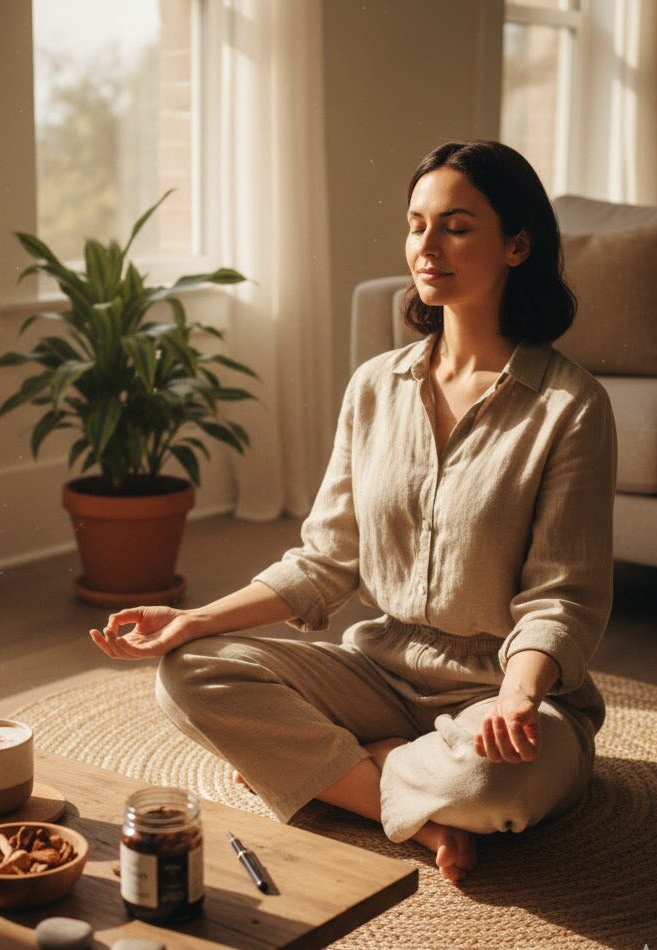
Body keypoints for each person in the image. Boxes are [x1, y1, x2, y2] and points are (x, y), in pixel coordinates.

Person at [88, 140, 618, 885]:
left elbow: (562, 596)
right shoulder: (375, 387)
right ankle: (409, 809)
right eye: (415, 225)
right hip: (376, 677)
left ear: (517, 245)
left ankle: (336, 774)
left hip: (503, 693)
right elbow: (324, 559)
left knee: (494, 785)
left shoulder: (570, 406)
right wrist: (194, 619)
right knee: (187, 671)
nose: (424, 248)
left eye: (456, 227)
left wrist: (517, 697)